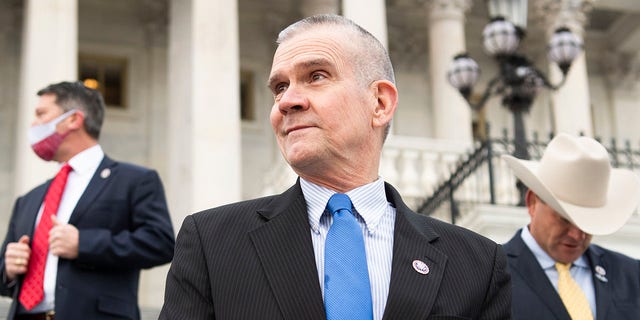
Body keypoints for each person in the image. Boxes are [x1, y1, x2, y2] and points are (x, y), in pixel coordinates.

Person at [160, 14, 510, 320]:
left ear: (380, 102)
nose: (287, 101)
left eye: (316, 76)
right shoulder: (211, 243)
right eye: (279, 87)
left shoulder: (478, 263)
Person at [0, 81, 175, 319]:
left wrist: (84, 243)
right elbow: (4, 280)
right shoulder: (29, 199)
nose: (33, 123)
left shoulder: (134, 180)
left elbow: (161, 243)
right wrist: (8, 269)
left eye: (41, 114)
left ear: (73, 120)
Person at [502, 132, 640, 319]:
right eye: (564, 219)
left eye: (588, 223)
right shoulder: (493, 276)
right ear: (532, 202)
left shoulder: (631, 275)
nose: (577, 235)